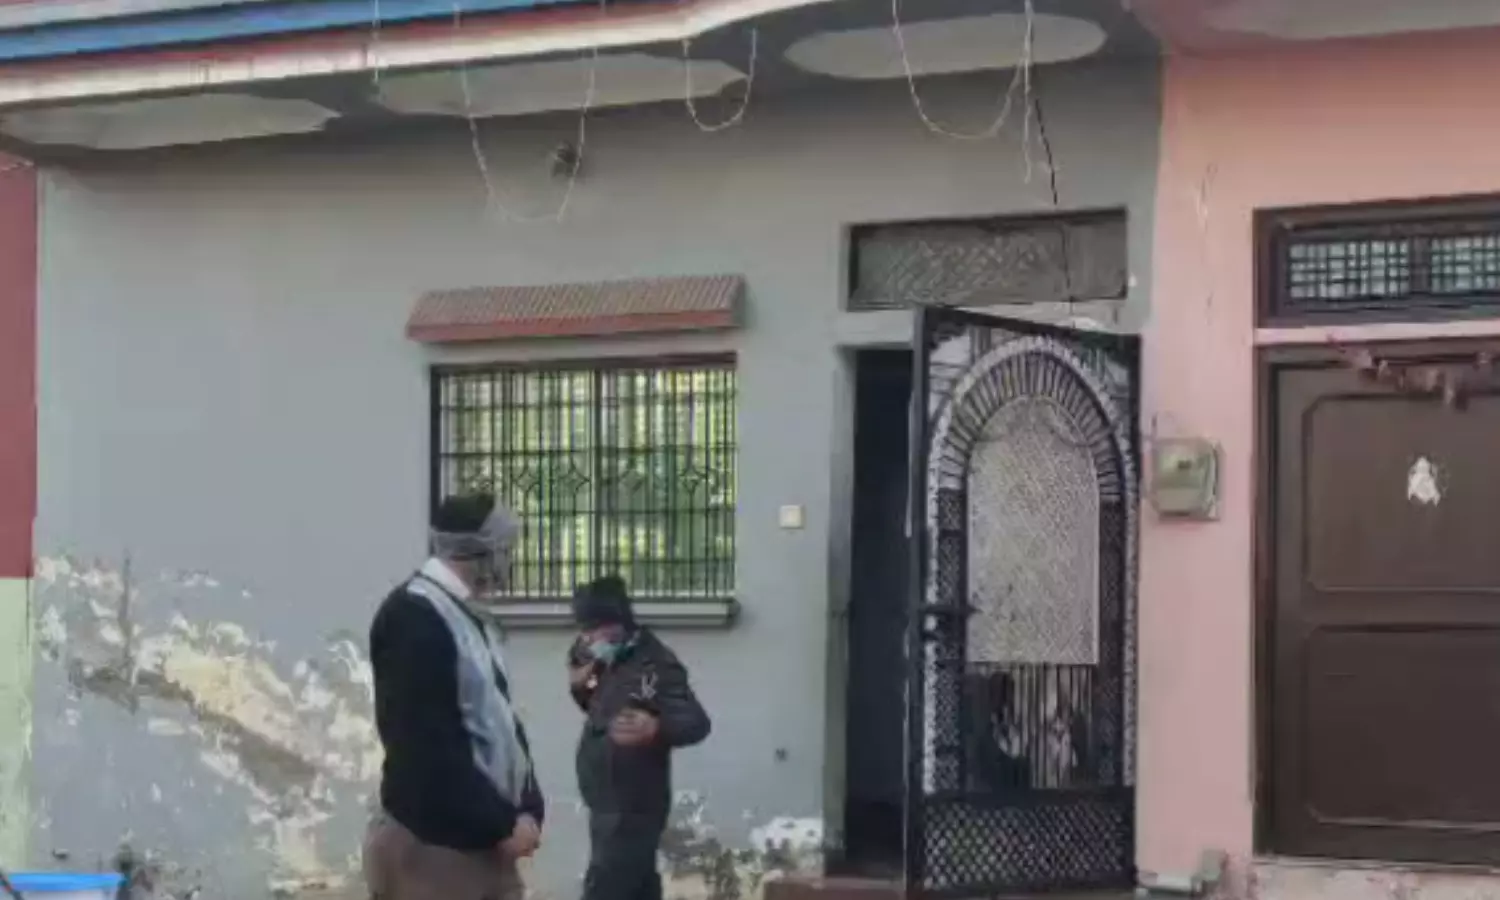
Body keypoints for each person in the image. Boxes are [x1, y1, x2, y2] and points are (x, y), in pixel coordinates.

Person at [364, 493, 544, 900]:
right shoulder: (414, 617)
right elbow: (425, 747)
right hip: (435, 850)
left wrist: (529, 806)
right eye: (507, 549)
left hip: (483, 841)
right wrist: (502, 824)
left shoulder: (466, 615)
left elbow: (499, 721)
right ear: (483, 552)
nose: (510, 561)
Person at [568, 575, 711, 900]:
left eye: (593, 629)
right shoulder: (600, 658)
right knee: (638, 886)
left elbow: (696, 723)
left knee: (607, 887)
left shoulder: (656, 664)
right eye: (583, 630)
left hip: (634, 805)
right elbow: (590, 701)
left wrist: (655, 727)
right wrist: (581, 681)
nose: (587, 638)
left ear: (616, 624)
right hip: (604, 801)